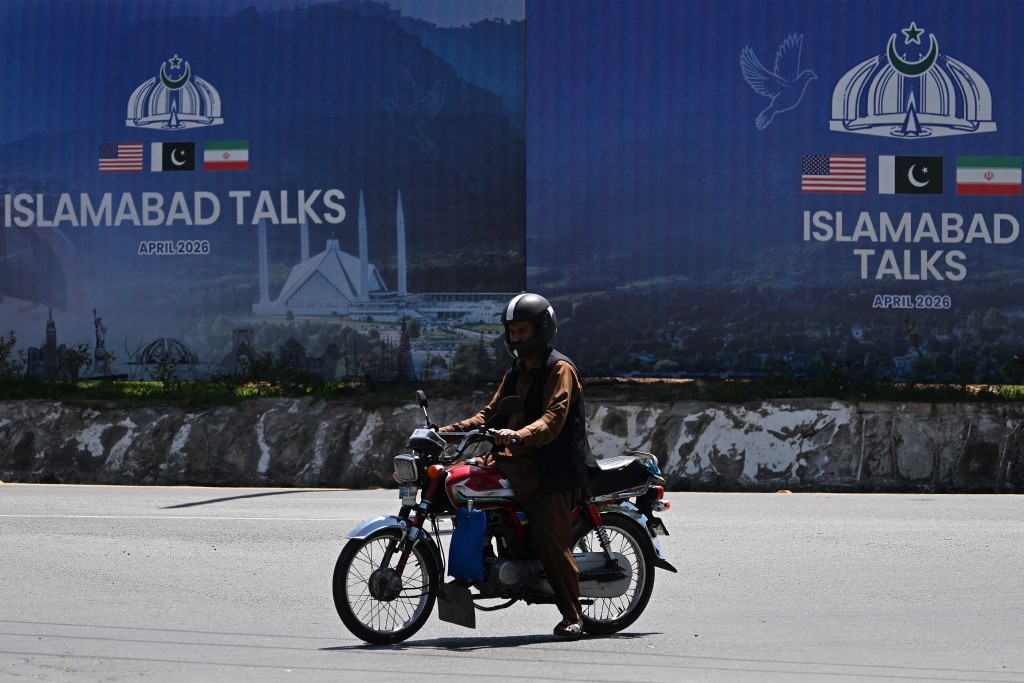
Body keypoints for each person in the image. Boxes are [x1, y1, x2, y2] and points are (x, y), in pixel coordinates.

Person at [439, 293, 593, 640]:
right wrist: (442, 434)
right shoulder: (515, 372)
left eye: (522, 331)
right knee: (462, 488)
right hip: (514, 462)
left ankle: (573, 615)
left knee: (548, 539)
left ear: (541, 329)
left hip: (550, 470)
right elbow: (487, 416)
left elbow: (553, 418)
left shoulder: (560, 369)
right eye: (512, 332)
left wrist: (519, 434)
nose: (516, 338)